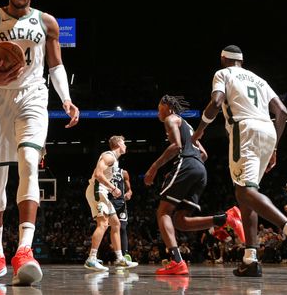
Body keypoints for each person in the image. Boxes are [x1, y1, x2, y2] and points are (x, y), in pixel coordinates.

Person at [0, 0, 80, 286]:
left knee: (30, 163)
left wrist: (67, 100)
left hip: (33, 96)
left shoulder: (47, 22)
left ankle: (25, 251)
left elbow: (56, 65)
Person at [191, 45, 287, 278]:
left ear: (223, 59)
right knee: (247, 195)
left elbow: (216, 102)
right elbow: (281, 111)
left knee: (243, 191)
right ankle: (250, 259)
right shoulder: (259, 79)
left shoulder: (223, 74)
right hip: (268, 130)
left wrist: (199, 131)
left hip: (245, 129)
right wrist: (274, 147)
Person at [145, 95, 244, 276]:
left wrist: (154, 168)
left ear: (167, 106)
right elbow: (204, 154)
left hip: (188, 164)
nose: (158, 111)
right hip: (200, 169)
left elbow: (176, 146)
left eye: (159, 107)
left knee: (163, 212)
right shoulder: (188, 127)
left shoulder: (170, 118)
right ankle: (224, 219)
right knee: (180, 221)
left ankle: (176, 262)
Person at [83, 135, 138, 271]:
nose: (125, 145)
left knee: (116, 224)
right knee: (103, 223)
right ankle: (91, 259)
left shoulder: (116, 161)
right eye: (124, 143)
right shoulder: (109, 156)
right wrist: (113, 188)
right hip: (97, 191)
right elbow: (98, 174)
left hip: (103, 193)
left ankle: (120, 259)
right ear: (119, 143)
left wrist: (110, 189)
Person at [110, 166, 132, 262]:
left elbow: (129, 189)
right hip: (108, 203)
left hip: (120, 204)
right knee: (103, 228)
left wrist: (129, 193)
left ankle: (125, 254)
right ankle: (95, 255)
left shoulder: (123, 172)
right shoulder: (103, 171)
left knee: (122, 228)